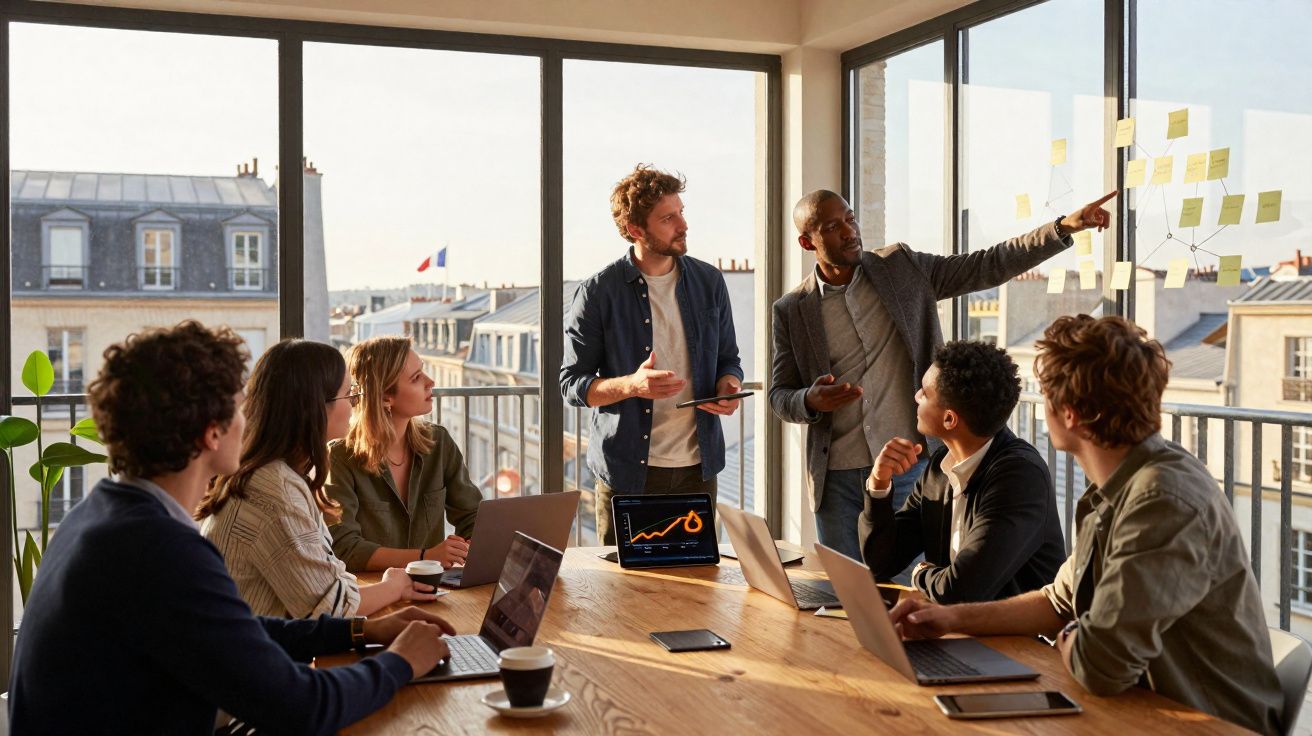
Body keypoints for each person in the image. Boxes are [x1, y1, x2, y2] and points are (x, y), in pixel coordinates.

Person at [8, 321, 453, 735]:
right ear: (210, 433)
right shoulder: (160, 551)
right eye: (240, 406)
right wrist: (400, 663)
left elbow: (238, 629)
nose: (249, 418)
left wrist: (361, 631)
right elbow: (303, 706)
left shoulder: (101, 515)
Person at [891, 315, 1283, 735]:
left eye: (1045, 396)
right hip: (1137, 709)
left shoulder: (1161, 500)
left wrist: (1076, 629)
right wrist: (948, 619)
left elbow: (1100, 664)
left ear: (1071, 415)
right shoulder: (1121, 486)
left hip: (1201, 723)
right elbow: (1058, 602)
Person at [769, 188, 1115, 563]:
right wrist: (808, 400)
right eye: (834, 226)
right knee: (843, 595)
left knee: (908, 595)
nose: (850, 231)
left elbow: (986, 264)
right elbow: (779, 395)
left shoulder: (901, 268)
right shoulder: (791, 310)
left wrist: (1062, 227)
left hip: (909, 467)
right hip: (836, 480)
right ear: (808, 241)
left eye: (850, 218)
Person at [561, 164, 743, 544]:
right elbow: (571, 385)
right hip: (628, 474)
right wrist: (631, 385)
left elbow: (729, 358)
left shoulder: (709, 281)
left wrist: (729, 384)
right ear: (636, 230)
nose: (683, 225)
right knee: (624, 595)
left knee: (696, 592)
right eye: (668, 218)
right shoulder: (597, 293)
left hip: (699, 468)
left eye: (681, 212)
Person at [198, 338, 438, 618]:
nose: (354, 405)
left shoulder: (268, 475)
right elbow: (330, 609)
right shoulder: (274, 491)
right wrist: (394, 587)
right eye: (349, 395)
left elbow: (327, 586)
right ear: (315, 407)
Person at [859, 340, 1065, 602]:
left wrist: (919, 574)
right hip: (957, 630)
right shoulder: (940, 467)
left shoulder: (1020, 477)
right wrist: (878, 483)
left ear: (949, 419)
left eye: (925, 393)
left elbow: (960, 591)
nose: (916, 397)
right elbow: (882, 562)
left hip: (1014, 640)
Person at [325, 336, 481, 571]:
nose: (430, 382)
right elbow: (344, 547)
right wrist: (425, 556)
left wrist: (473, 548)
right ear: (386, 396)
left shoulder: (438, 443)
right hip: (371, 594)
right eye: (416, 378)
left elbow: (473, 518)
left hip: (432, 589)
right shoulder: (339, 458)